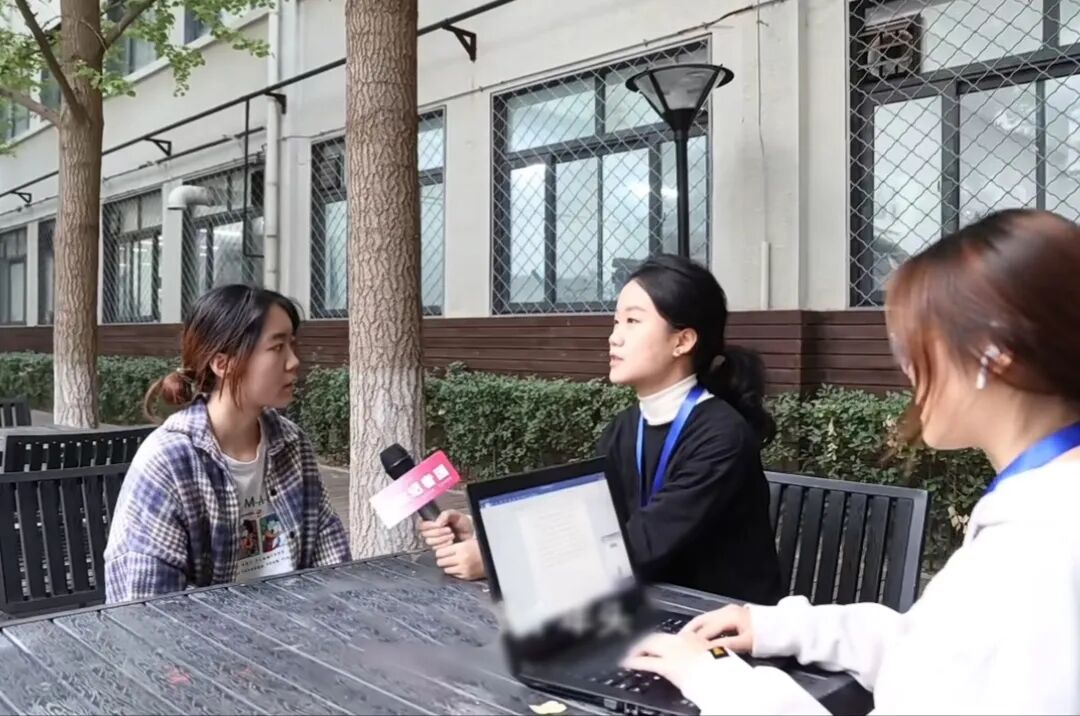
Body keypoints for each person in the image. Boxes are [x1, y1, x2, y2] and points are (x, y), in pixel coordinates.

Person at [622, 209, 1080, 714]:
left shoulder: (1039, 545)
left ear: (993, 351)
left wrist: (711, 678)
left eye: (915, 348)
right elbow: (938, 655)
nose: (908, 372)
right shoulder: (1046, 509)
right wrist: (784, 627)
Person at [421, 255, 783, 605]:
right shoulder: (626, 427)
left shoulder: (721, 436)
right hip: (648, 605)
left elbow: (639, 545)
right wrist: (487, 535)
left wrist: (502, 564)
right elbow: (587, 520)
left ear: (682, 341)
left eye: (633, 321)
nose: (614, 337)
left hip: (722, 622)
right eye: (616, 321)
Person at [104, 285, 350, 603]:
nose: (293, 361)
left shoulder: (291, 443)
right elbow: (149, 607)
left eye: (292, 344)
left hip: (305, 625)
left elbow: (332, 560)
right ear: (223, 364)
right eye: (277, 347)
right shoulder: (170, 460)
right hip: (209, 634)